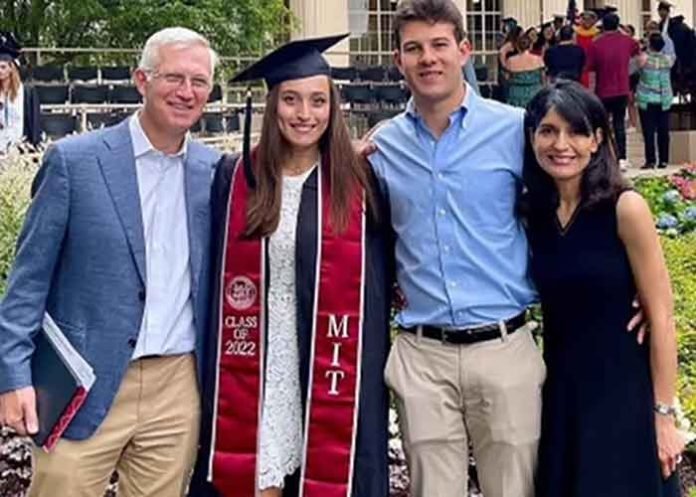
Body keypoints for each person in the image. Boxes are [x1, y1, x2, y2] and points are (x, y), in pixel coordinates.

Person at [0, 27, 220, 497]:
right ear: (142, 80)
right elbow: (27, 283)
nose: (186, 92)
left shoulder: (214, 172)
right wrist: (12, 376)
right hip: (82, 382)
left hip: (176, 388)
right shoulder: (75, 163)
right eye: (174, 77)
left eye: (199, 81)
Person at [188, 34, 391, 497]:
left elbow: (381, 280)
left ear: (333, 108)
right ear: (272, 105)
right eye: (291, 99)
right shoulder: (236, 177)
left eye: (318, 101)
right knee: (258, 478)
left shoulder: (358, 182)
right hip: (254, 357)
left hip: (329, 356)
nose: (305, 114)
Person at [369, 1, 543, 496]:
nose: (428, 58)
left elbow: (571, 205)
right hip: (422, 355)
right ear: (399, 60)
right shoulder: (382, 148)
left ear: (464, 50)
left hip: (503, 348)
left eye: (439, 45)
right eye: (414, 48)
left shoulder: (515, 130)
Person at [523, 79, 684, 497]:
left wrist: (664, 415)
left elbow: (662, 318)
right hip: (563, 393)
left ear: (597, 140)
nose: (562, 144)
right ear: (532, 137)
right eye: (548, 131)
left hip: (623, 391)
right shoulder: (533, 214)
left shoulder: (625, 208)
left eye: (576, 132)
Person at [586, 12, 639, 171]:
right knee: (619, 124)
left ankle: (603, 158)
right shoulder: (627, 41)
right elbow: (636, 49)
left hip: (603, 89)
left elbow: (590, 67)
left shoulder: (596, 44)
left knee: (602, 125)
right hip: (622, 88)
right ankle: (622, 157)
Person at [637, 33, 674, 169]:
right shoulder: (668, 60)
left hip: (647, 99)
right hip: (664, 99)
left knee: (649, 131)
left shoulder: (644, 58)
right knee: (663, 130)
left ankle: (650, 160)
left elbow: (637, 67)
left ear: (650, 44)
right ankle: (664, 160)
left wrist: (644, 48)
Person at [0, 32, 40, 151]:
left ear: (11, 69)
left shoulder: (26, 93)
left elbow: (34, 124)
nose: (0, 71)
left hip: (20, 148)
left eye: (3, 67)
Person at [504, 34, 545, 108]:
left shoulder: (511, 61)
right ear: (530, 46)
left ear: (517, 46)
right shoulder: (538, 59)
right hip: (534, 93)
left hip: (516, 94)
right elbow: (543, 78)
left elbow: (506, 78)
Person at [574, 11, 599, 88]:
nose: (587, 21)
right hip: (579, 65)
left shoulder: (597, 33)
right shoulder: (576, 33)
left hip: (592, 66)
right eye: (584, 19)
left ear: (593, 20)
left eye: (589, 19)